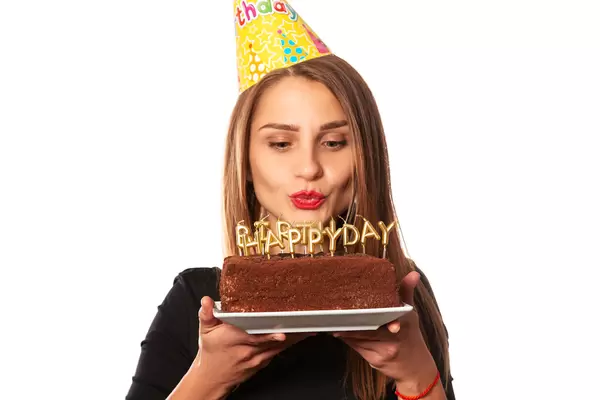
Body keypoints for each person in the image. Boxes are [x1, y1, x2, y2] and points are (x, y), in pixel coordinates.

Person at [126, 2, 455, 399]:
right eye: (281, 143)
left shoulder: (402, 298)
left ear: (366, 156)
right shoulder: (198, 301)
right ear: (245, 161)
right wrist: (208, 377)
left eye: (333, 142)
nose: (309, 168)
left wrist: (418, 375)